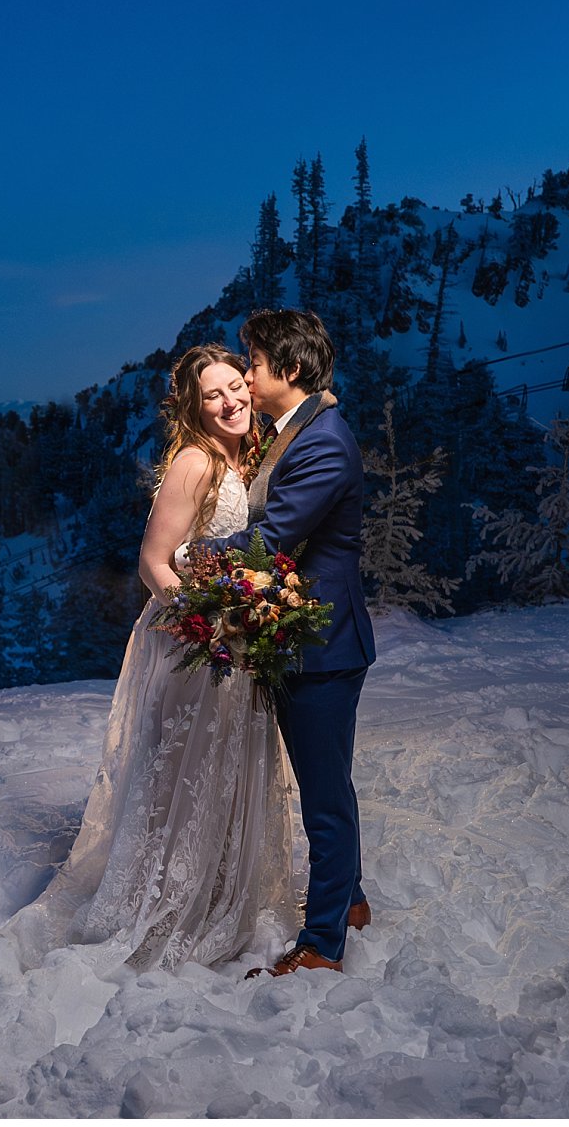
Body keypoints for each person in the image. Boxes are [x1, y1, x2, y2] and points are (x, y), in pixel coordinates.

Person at [4, 344, 296, 974]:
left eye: (235, 388)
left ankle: (217, 885)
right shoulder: (194, 462)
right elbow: (152, 562)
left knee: (224, 759)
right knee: (186, 764)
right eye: (213, 395)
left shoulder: (236, 455)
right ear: (192, 408)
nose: (232, 401)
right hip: (195, 636)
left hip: (231, 629)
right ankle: (169, 898)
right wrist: (204, 620)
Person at [189, 307, 376, 978]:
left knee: (324, 797)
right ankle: (350, 898)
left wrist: (196, 554)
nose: (247, 374)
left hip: (322, 644)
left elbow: (273, 538)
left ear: (290, 371)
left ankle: (324, 942)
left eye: (257, 364)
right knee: (330, 782)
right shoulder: (297, 428)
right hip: (308, 639)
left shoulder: (323, 440)